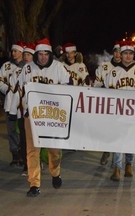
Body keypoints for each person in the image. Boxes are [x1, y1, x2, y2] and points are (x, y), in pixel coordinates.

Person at [16, 38, 71, 197]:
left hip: (52, 117)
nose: (42, 57)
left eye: (45, 54)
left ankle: (55, 173)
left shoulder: (58, 67)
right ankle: (34, 184)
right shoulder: (27, 69)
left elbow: (69, 85)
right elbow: (20, 89)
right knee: (32, 150)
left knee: (53, 149)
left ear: (50, 54)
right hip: (32, 116)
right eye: (39, 54)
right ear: (36, 55)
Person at [104, 41, 135, 181]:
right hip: (118, 112)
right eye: (125, 53)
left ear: (133, 55)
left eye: (131, 53)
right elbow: (108, 93)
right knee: (118, 139)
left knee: (131, 139)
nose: (128, 56)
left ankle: (129, 164)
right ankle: (117, 168)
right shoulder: (113, 72)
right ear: (121, 55)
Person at [9, 42, 36, 176]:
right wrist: (13, 111)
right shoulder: (18, 72)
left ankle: (39, 162)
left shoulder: (38, 70)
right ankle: (27, 166)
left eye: (28, 54)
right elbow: (15, 92)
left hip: (38, 112)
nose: (25, 57)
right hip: (23, 111)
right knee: (25, 139)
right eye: (24, 54)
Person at [94, 42, 121, 165]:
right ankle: (106, 151)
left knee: (119, 132)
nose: (117, 54)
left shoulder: (128, 68)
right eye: (115, 51)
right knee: (106, 131)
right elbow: (97, 84)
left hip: (121, 106)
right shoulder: (104, 67)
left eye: (120, 51)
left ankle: (116, 159)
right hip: (107, 103)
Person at [0, 41, 25, 167]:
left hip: (22, 104)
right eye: (12, 51)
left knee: (21, 129)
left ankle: (22, 152)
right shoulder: (6, 66)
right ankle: (15, 154)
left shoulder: (26, 66)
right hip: (9, 103)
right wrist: (7, 90)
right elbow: (0, 81)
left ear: (21, 52)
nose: (13, 53)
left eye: (16, 51)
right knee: (11, 129)